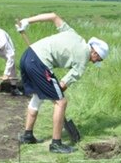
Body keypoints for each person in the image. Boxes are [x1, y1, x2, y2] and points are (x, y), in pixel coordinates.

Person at [16, 12, 109, 154]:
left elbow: (53, 16)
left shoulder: (73, 34)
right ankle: (56, 144)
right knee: (61, 102)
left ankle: (28, 136)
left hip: (27, 55)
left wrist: (27, 21)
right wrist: (56, 93)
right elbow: (63, 84)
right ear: (95, 52)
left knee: (38, 96)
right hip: (39, 63)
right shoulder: (83, 60)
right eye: (99, 59)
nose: (95, 62)